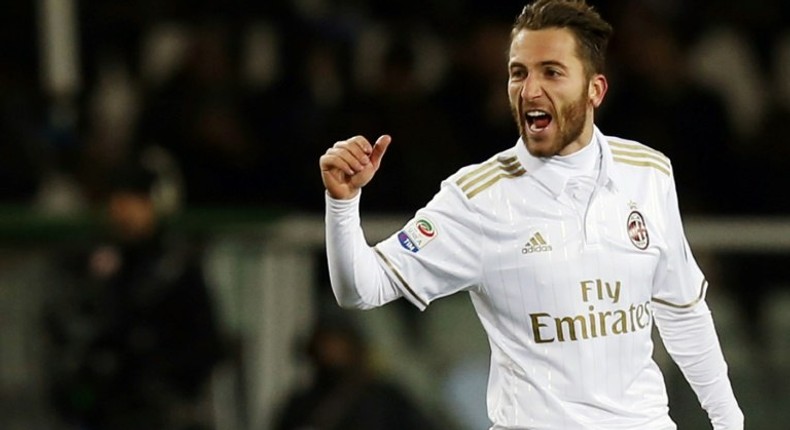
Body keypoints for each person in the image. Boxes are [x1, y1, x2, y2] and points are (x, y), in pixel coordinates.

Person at [318, 1, 744, 429]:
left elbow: (683, 311)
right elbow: (361, 289)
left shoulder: (648, 172)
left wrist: (730, 423)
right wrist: (342, 203)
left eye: (551, 72)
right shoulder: (479, 198)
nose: (530, 89)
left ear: (595, 89)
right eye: (518, 72)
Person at [44, 150, 224, 430]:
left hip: (159, 408)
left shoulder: (175, 268)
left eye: (135, 199)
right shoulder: (96, 262)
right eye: (118, 198)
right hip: (102, 407)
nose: (122, 209)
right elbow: (66, 327)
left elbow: (204, 347)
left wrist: (152, 369)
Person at [273, 313, 438, 430]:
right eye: (324, 344)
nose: (330, 351)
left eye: (338, 344)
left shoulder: (385, 399)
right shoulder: (300, 405)